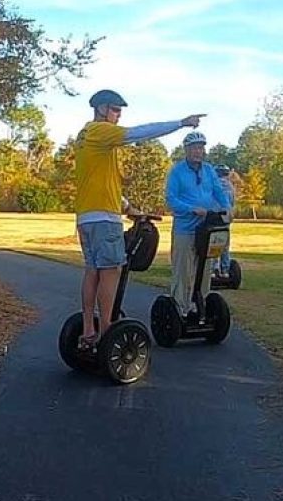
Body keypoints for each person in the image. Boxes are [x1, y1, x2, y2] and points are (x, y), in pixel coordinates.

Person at [74, 89, 205, 350]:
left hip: (87, 216)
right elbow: (139, 132)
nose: (118, 114)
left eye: (120, 110)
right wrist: (181, 123)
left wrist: (128, 207)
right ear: (100, 108)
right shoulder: (101, 131)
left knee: (93, 271)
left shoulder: (85, 137)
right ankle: (107, 331)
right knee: (112, 271)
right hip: (103, 219)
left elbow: (100, 182)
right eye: (114, 109)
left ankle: (89, 329)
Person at [165, 131, 232, 318]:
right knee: (183, 270)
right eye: (194, 148)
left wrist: (227, 208)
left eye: (201, 147)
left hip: (207, 227)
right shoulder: (177, 172)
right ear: (186, 150)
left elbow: (218, 192)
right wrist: (191, 208)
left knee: (205, 269)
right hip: (185, 229)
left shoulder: (209, 170)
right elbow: (171, 199)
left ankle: (200, 304)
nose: (198, 151)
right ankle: (180, 308)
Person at [212, 165, 235, 277]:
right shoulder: (231, 187)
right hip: (226, 219)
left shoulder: (214, 185)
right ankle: (225, 270)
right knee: (225, 245)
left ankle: (213, 269)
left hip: (214, 218)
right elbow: (232, 203)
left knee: (213, 243)